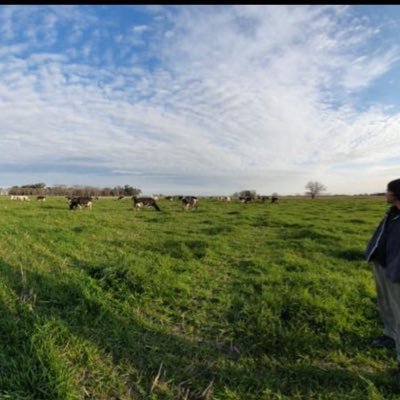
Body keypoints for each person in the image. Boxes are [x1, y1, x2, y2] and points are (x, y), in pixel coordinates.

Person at [366, 178, 400, 388]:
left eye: (388, 191)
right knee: (386, 305)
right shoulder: (393, 213)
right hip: (384, 265)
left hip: (398, 272)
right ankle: (390, 335)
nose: (385, 193)